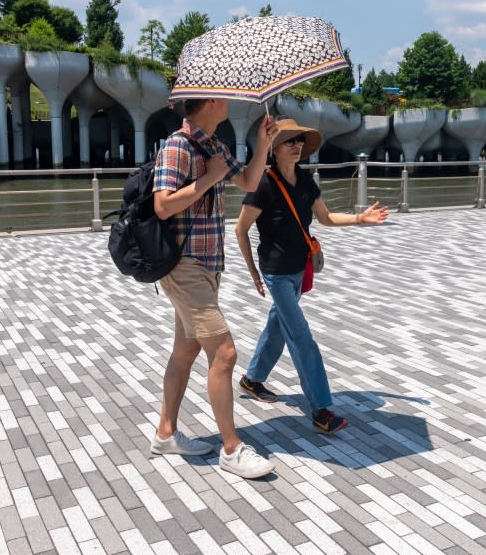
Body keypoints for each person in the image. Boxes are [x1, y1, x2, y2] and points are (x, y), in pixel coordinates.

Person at [149, 97, 280, 479]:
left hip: (209, 266)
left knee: (186, 349)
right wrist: (208, 177)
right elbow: (162, 206)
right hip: (184, 266)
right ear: (208, 101)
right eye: (223, 97)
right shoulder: (177, 146)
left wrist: (264, 142)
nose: (230, 101)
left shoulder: (216, 145)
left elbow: (250, 181)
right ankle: (231, 448)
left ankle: (165, 434)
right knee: (224, 353)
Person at [234, 119, 389, 433]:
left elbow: (326, 217)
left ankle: (252, 380)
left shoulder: (305, 181)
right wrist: (253, 272)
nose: (296, 146)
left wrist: (360, 218)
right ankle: (321, 409)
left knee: (279, 326)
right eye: (289, 141)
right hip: (276, 272)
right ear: (274, 148)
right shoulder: (263, 185)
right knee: (301, 337)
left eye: (300, 141)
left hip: (298, 269)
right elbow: (240, 229)